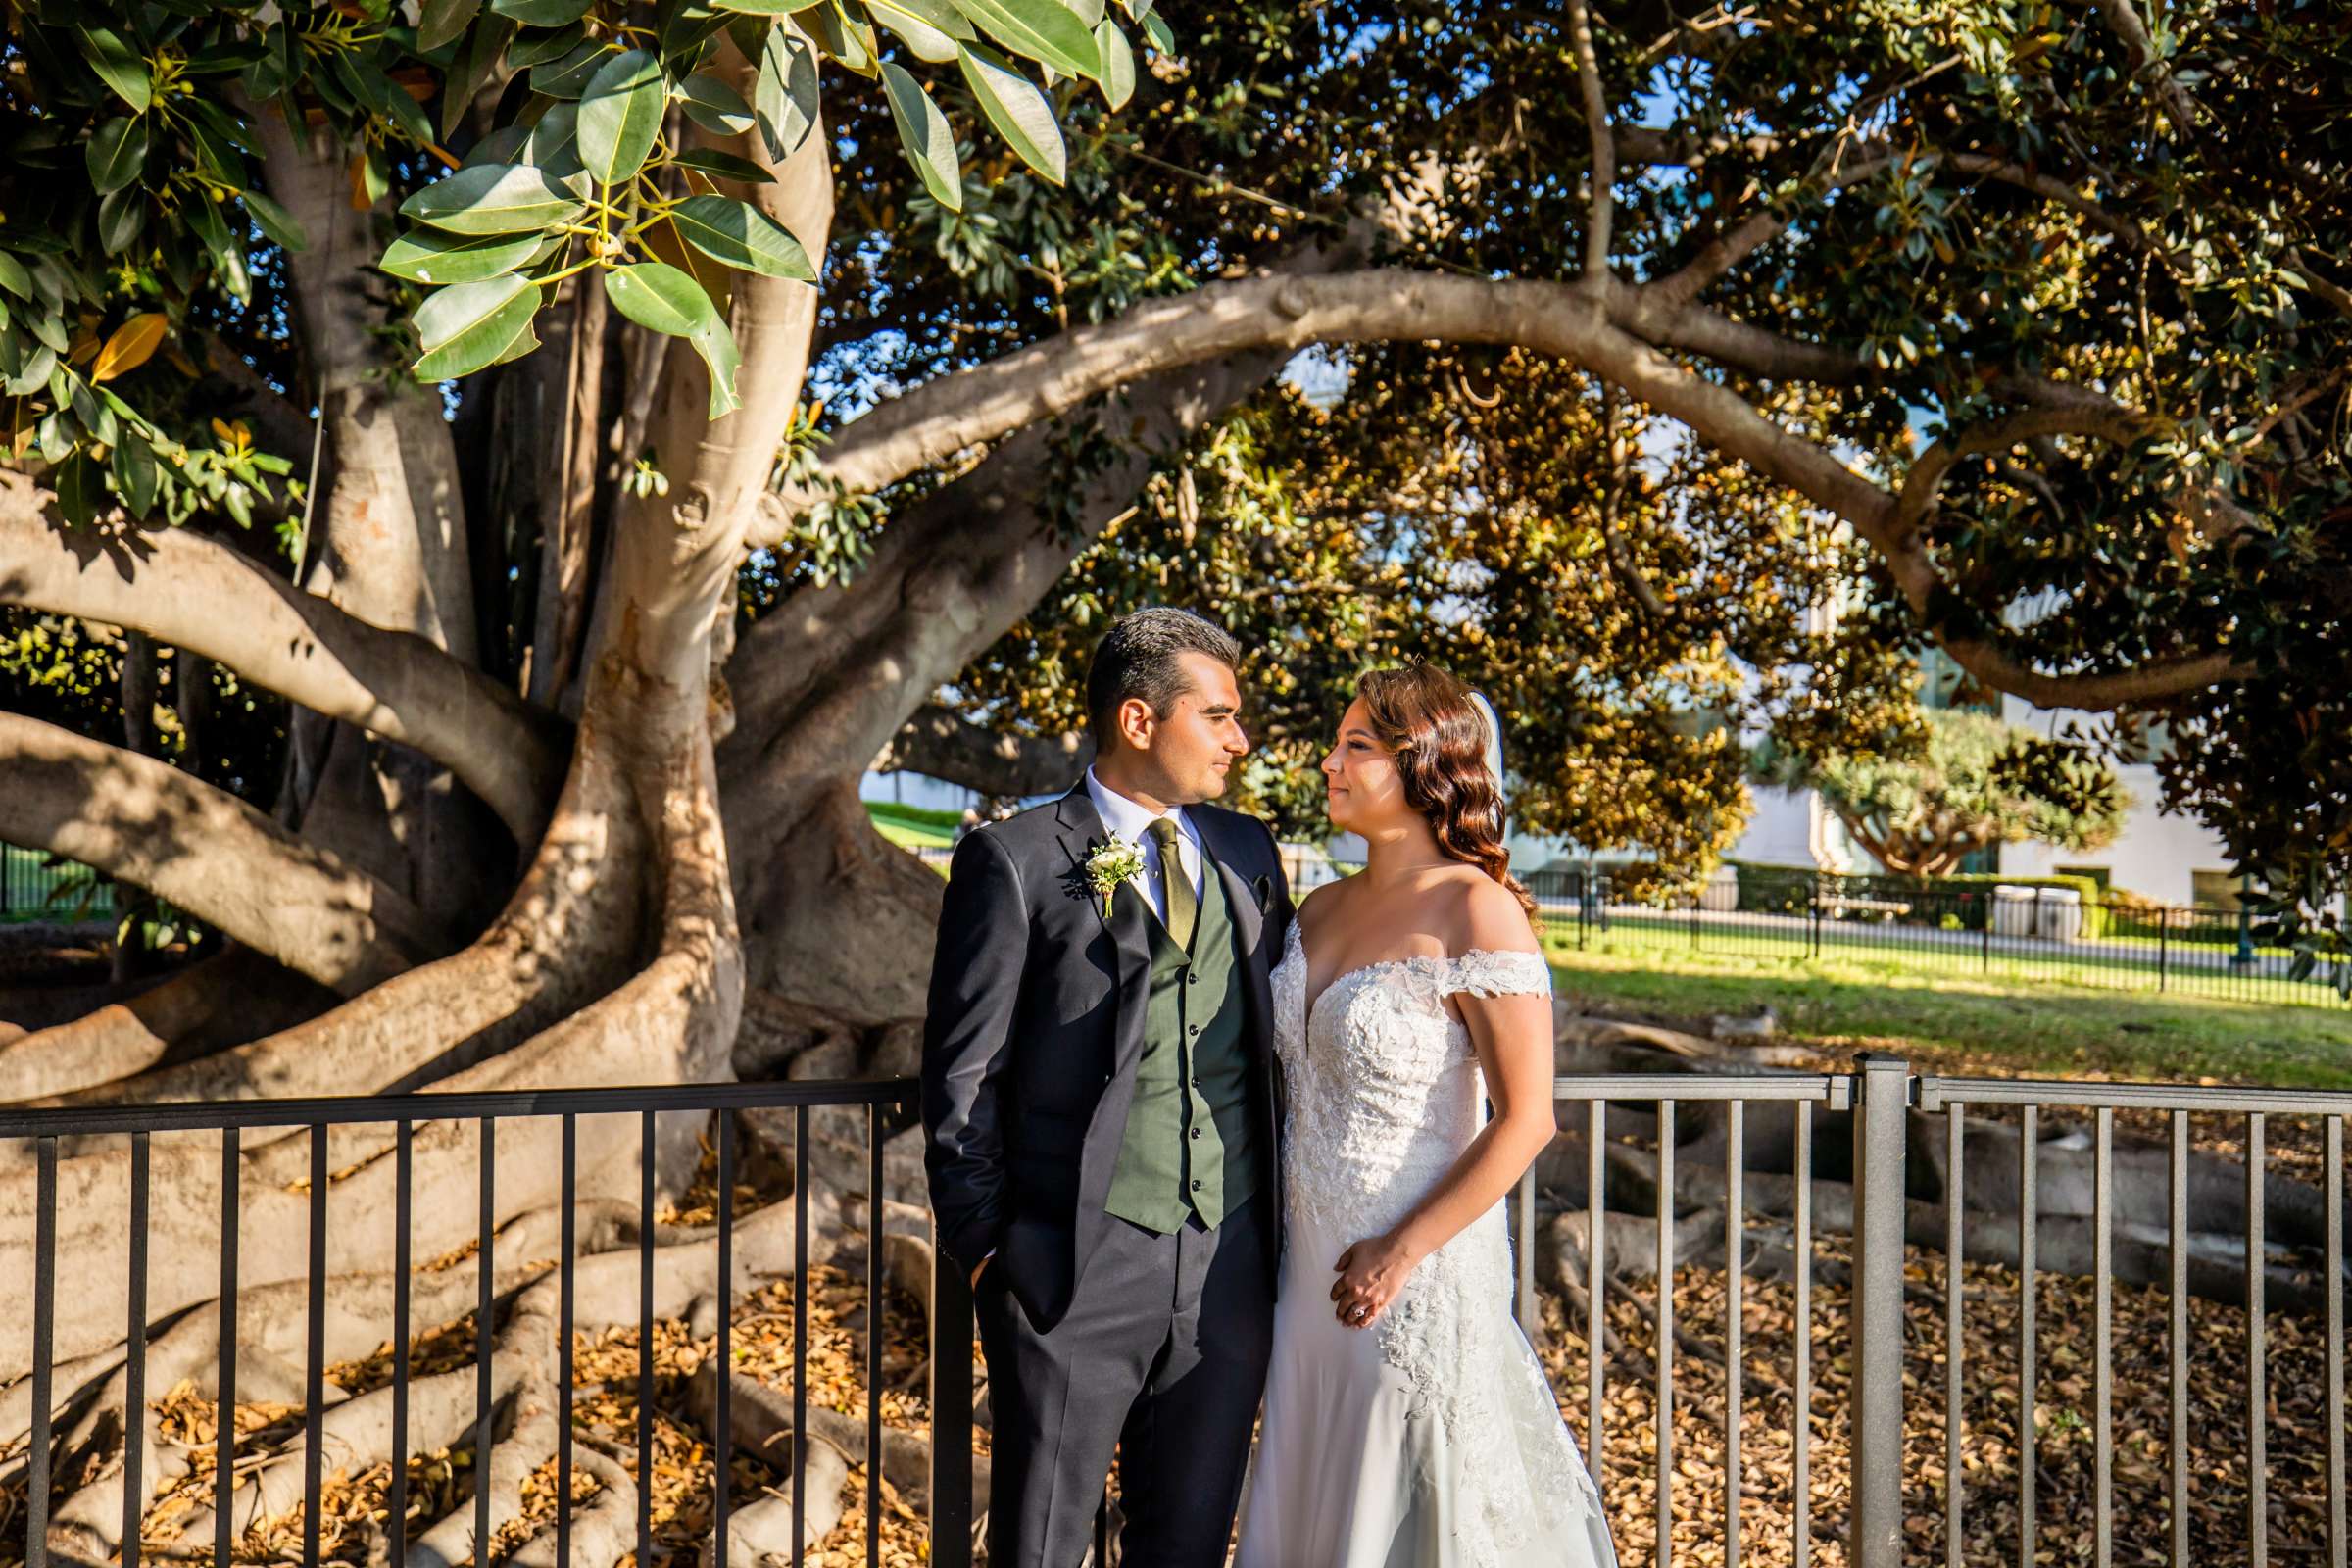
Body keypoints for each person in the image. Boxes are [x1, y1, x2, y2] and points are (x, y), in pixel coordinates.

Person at [921, 608, 1290, 1568]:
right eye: (1217, 718)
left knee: (1189, 1548)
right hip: (1072, 1272)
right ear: (1138, 721)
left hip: (1228, 1274)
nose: (1239, 741)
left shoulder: (1248, 854)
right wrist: (989, 1254)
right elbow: (962, 1078)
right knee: (1039, 1550)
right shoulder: (1024, 857)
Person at [1233, 662, 1619, 1568]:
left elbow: (1527, 1121)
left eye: (1355, 746)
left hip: (1411, 1275)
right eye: (1335, 745)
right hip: (1304, 1274)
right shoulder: (1316, 910)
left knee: (1408, 1509)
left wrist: (1399, 1255)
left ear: (1425, 767)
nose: (1328, 763)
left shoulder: (1475, 911)